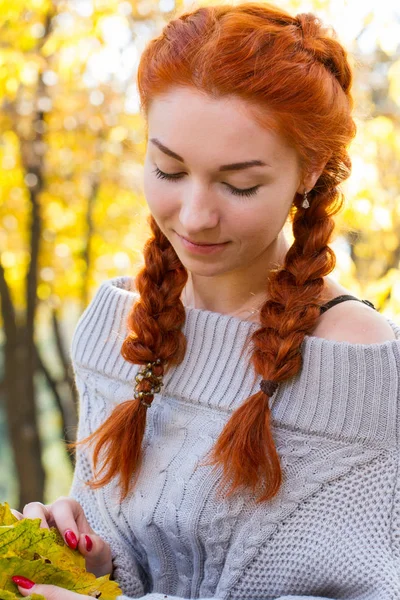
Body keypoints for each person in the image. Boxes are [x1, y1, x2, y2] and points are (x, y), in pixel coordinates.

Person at [11, 2, 400, 600]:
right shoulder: (113, 332)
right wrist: (91, 566)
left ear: (310, 171)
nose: (195, 216)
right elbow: (141, 569)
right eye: (168, 170)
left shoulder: (362, 369)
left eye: (239, 184)